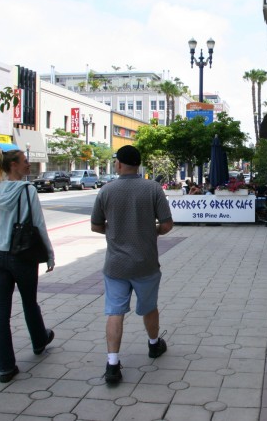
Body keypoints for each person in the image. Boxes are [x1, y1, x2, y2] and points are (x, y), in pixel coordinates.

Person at [91, 145, 174, 384]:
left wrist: (116, 231)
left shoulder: (106, 191)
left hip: (115, 266)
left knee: (115, 311)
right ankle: (153, 344)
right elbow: (167, 225)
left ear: (118, 164)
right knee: (149, 307)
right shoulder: (153, 188)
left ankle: (113, 364)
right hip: (145, 263)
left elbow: (96, 226)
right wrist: (150, 231)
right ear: (139, 165)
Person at [0, 146, 55, 383]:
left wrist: (3, 242)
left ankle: (5, 366)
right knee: (29, 302)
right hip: (22, 256)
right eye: (25, 161)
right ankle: (39, 341)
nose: (28, 165)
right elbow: (38, 225)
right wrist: (49, 254)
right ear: (13, 165)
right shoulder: (27, 190)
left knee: (1, 313)